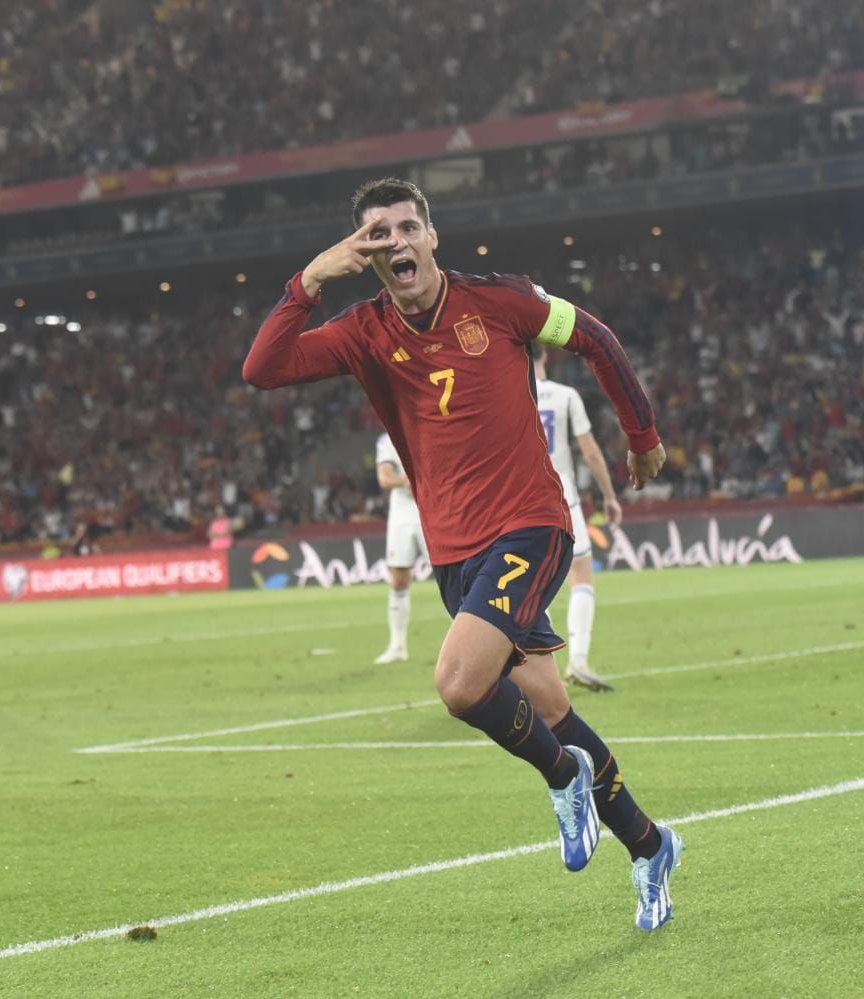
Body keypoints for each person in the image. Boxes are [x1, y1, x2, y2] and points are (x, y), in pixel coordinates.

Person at [242, 178, 682, 929]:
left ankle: (560, 775)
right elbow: (263, 368)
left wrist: (641, 436)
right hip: (455, 555)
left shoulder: (502, 302)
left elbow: (596, 338)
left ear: (433, 235)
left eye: (408, 227)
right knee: (549, 706)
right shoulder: (363, 330)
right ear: (365, 251)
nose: (396, 243)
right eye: (378, 234)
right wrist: (311, 279)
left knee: (456, 682)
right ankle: (649, 846)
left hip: (531, 525)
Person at [533, 343, 624, 692]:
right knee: (581, 575)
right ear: (545, 357)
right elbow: (589, 450)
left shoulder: (505, 393)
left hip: (519, 505)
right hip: (562, 500)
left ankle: (543, 672)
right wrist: (609, 496)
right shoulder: (565, 395)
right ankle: (579, 660)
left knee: (533, 589)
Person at [373, 431, 426, 664]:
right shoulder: (388, 440)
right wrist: (407, 479)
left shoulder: (428, 430)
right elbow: (384, 478)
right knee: (399, 579)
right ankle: (397, 645)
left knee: (454, 576)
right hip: (402, 513)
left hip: (433, 507)